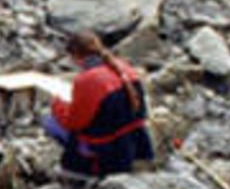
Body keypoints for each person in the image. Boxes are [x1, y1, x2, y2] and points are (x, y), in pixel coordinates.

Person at [41, 30, 154, 178]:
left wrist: (57, 105)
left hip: (105, 148)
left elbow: (73, 123)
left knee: (48, 120)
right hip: (132, 140)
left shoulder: (86, 80)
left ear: (75, 56)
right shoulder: (123, 67)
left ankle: (80, 166)